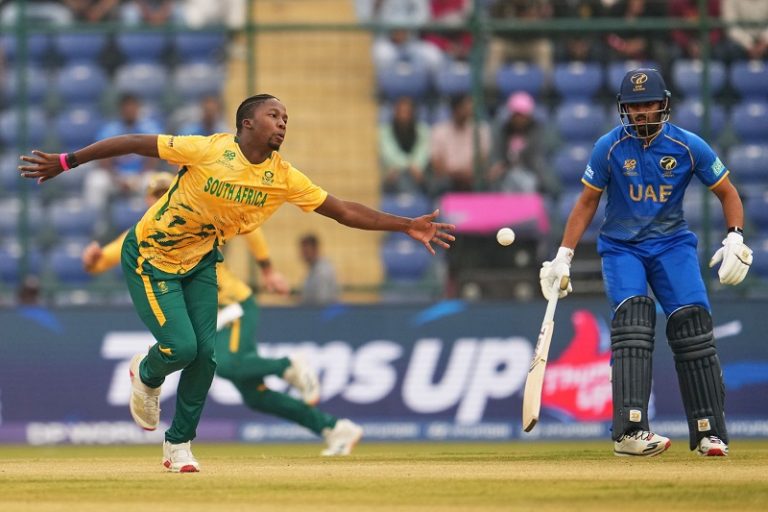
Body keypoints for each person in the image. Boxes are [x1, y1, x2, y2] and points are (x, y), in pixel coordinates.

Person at [19, 93, 455, 473]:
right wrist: (68, 161)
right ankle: (146, 373)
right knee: (183, 347)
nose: (282, 123)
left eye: (285, 118)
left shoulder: (283, 177)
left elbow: (342, 210)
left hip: (201, 263)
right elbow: (134, 142)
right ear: (247, 123)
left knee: (206, 357)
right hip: (152, 258)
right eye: (273, 115)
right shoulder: (208, 150)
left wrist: (404, 225)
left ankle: (178, 445)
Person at [539, 69, 752, 458]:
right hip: (623, 248)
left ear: (663, 104)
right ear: (624, 108)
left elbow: (728, 192)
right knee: (633, 323)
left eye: (648, 104)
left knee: (693, 327)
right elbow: (586, 202)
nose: (640, 112)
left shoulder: (688, 146)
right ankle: (630, 432)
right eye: (633, 105)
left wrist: (735, 236)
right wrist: (563, 256)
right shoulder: (609, 147)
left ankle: (709, 432)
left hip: (672, 245)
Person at [81, 172, 363, 456]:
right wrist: (92, 261)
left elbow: (249, 228)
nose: (162, 198)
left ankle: (286, 365)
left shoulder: (199, 216)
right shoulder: (144, 233)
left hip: (232, 305)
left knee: (227, 364)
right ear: (147, 200)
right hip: (211, 316)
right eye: (156, 194)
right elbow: (104, 260)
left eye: (166, 191)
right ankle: (335, 428)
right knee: (255, 396)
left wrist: (267, 269)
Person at [378, 96, 431, 195]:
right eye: (401, 112)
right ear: (395, 113)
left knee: (424, 178)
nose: (404, 116)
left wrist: (415, 167)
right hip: (393, 171)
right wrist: (409, 165)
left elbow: (423, 153)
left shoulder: (423, 130)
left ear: (413, 114)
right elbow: (389, 154)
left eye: (407, 112)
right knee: (395, 176)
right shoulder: (385, 131)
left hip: (417, 171)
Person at [298, 233, 340, 305]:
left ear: (315, 249)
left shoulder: (322, 271)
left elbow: (322, 301)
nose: (302, 254)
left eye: (306, 251)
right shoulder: (314, 269)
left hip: (323, 311)